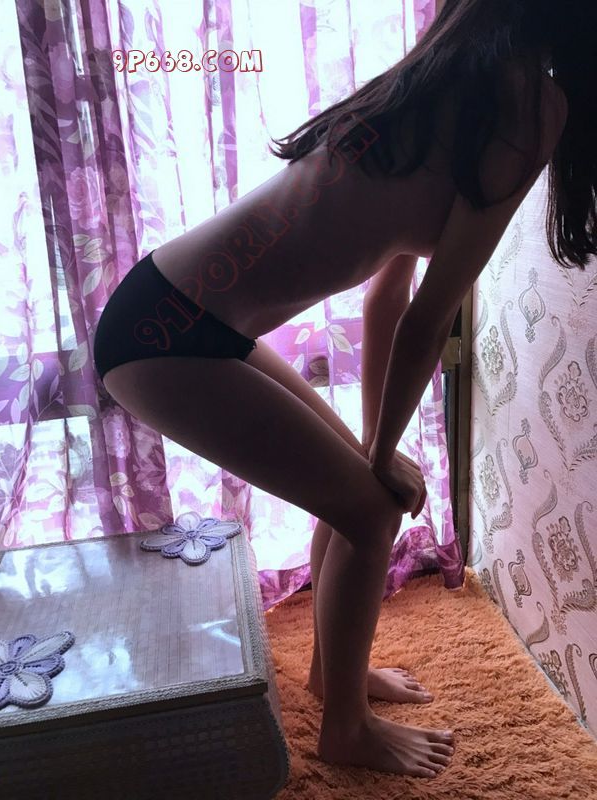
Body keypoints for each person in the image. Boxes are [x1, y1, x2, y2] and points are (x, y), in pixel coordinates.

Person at [93, 0, 595, 778]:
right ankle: (346, 731)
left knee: (356, 493)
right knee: (370, 510)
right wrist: (382, 459)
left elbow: (389, 301)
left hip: (172, 312)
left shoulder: (447, 85)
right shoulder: (530, 104)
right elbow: (430, 319)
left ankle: (335, 679)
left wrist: (374, 448)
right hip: (164, 337)